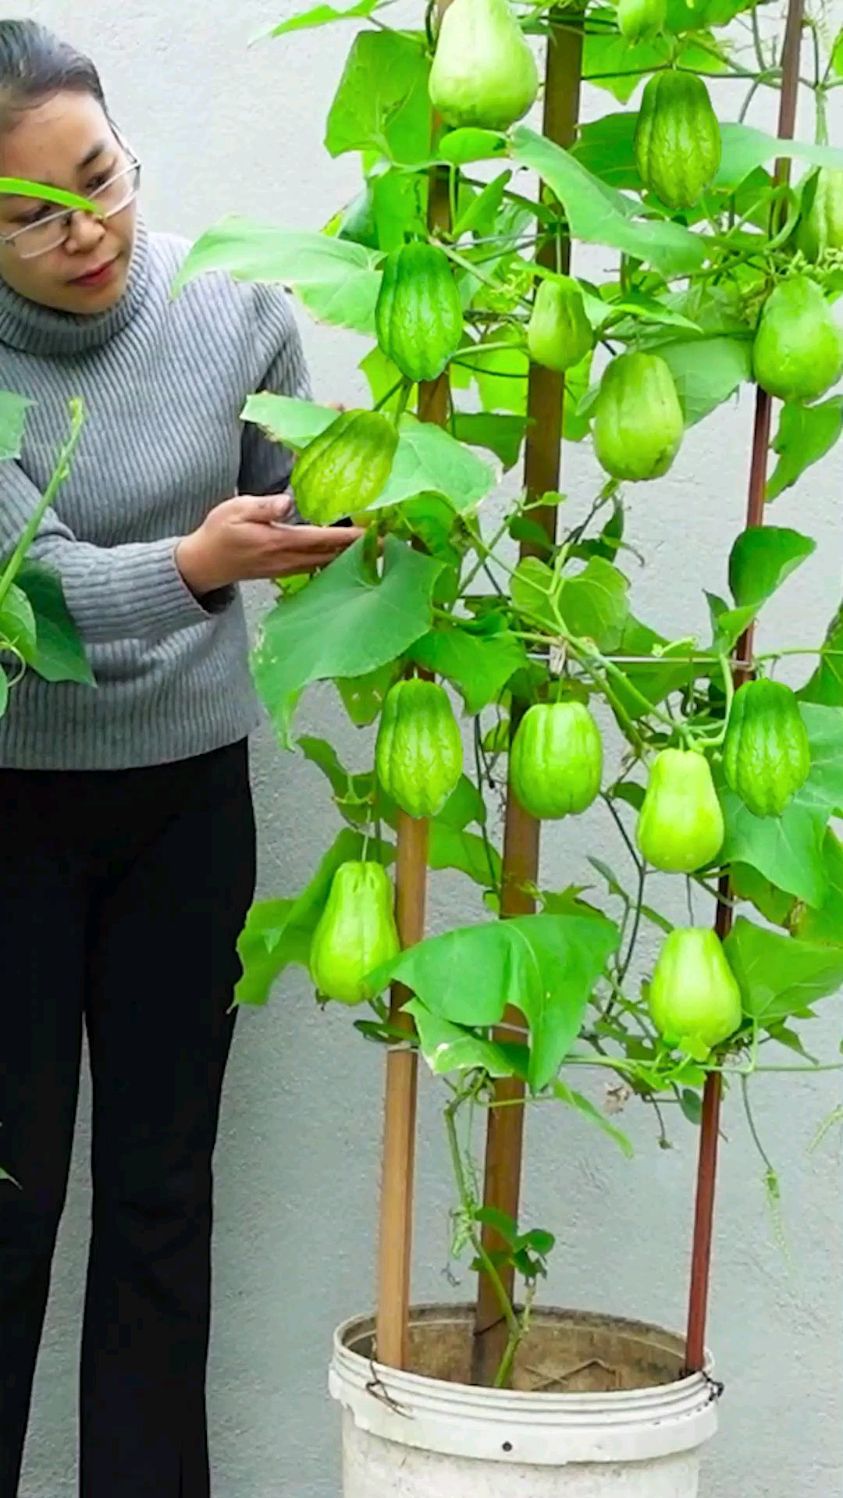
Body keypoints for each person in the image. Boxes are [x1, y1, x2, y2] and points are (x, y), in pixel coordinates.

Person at [0, 19, 360, 1498]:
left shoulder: (235, 307)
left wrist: (353, 517)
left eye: (101, 177)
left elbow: (299, 501)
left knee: (162, 1196)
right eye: (32, 213)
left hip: (186, 814)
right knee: (8, 1203)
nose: (87, 230)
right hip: (11, 812)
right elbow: (30, 591)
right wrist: (202, 565)